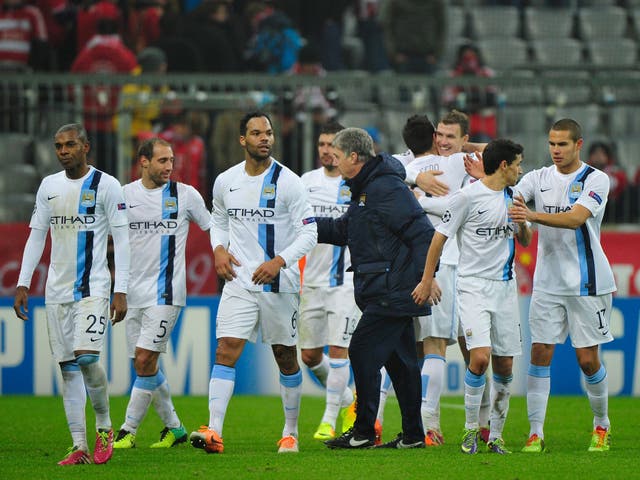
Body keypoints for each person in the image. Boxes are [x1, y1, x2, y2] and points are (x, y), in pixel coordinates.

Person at [189, 111, 317, 454]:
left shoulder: (289, 182)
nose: (265, 138)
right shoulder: (225, 180)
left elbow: (310, 231)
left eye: (269, 133)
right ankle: (214, 430)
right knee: (225, 349)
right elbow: (219, 219)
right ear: (242, 140)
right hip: (239, 281)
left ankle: (290, 432)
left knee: (285, 357)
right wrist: (218, 249)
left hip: (279, 284)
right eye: (257, 133)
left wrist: (279, 261)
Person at [13, 123, 130, 465]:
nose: (63, 151)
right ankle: (79, 445)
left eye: (70, 145)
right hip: (56, 291)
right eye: (58, 146)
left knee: (87, 358)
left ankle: (105, 427)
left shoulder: (107, 186)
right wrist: (23, 282)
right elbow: (37, 236)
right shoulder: (49, 186)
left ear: (85, 147)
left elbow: (122, 242)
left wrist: (120, 290)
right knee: (67, 368)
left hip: (93, 287)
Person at [318, 127, 435, 450]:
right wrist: (306, 225)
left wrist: (427, 279)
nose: (334, 161)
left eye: (338, 156)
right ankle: (413, 435)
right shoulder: (367, 188)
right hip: (385, 285)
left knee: (361, 351)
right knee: (401, 364)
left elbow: (423, 233)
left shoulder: (384, 188)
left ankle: (364, 430)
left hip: (393, 289)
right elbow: (346, 230)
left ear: (354, 157)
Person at [413, 138, 532, 455]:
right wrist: (427, 280)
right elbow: (438, 240)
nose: (521, 170)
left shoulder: (513, 196)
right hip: (472, 286)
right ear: (504, 166)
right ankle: (468, 432)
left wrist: (523, 222)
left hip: (505, 289)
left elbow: (526, 240)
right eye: (518, 164)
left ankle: (495, 434)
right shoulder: (466, 198)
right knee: (479, 358)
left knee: (504, 365)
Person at [511, 119, 616, 453]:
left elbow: (575, 218)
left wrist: (531, 216)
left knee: (587, 360)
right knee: (540, 353)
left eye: (562, 144)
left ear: (578, 144)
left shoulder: (595, 179)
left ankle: (601, 426)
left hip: (589, 282)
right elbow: (511, 197)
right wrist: (519, 219)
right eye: (552, 144)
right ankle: (535, 433)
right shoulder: (536, 178)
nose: (556, 150)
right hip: (547, 283)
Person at [112, 138, 212, 449]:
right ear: (143, 161)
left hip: (167, 293)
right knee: (144, 366)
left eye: (171, 160)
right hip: (132, 295)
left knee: (144, 359)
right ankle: (175, 428)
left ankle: (127, 431)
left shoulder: (185, 196)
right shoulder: (124, 196)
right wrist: (117, 289)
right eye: (162, 161)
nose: (169, 166)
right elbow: (109, 241)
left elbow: (214, 228)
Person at [299, 121, 358, 442]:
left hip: (345, 283)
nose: (325, 150)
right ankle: (348, 398)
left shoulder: (356, 184)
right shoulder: (305, 183)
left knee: (339, 351)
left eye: (331, 145)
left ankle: (329, 419)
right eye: (321, 144)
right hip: (312, 281)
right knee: (309, 356)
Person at [585, 141, 629, 223]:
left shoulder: (614, 170)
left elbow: (618, 184)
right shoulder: (584, 171)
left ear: (607, 157)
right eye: (595, 154)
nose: (598, 157)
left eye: (601, 154)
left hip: (611, 207)